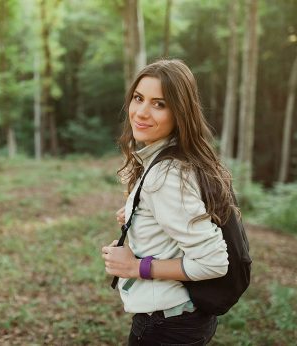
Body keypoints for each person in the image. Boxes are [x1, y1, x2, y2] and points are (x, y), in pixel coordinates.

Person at [101, 59, 236, 345]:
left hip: (166, 326)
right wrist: (139, 214)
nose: (141, 112)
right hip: (186, 318)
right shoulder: (182, 158)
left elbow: (213, 263)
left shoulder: (167, 174)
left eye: (159, 104)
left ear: (180, 112)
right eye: (139, 98)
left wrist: (136, 267)